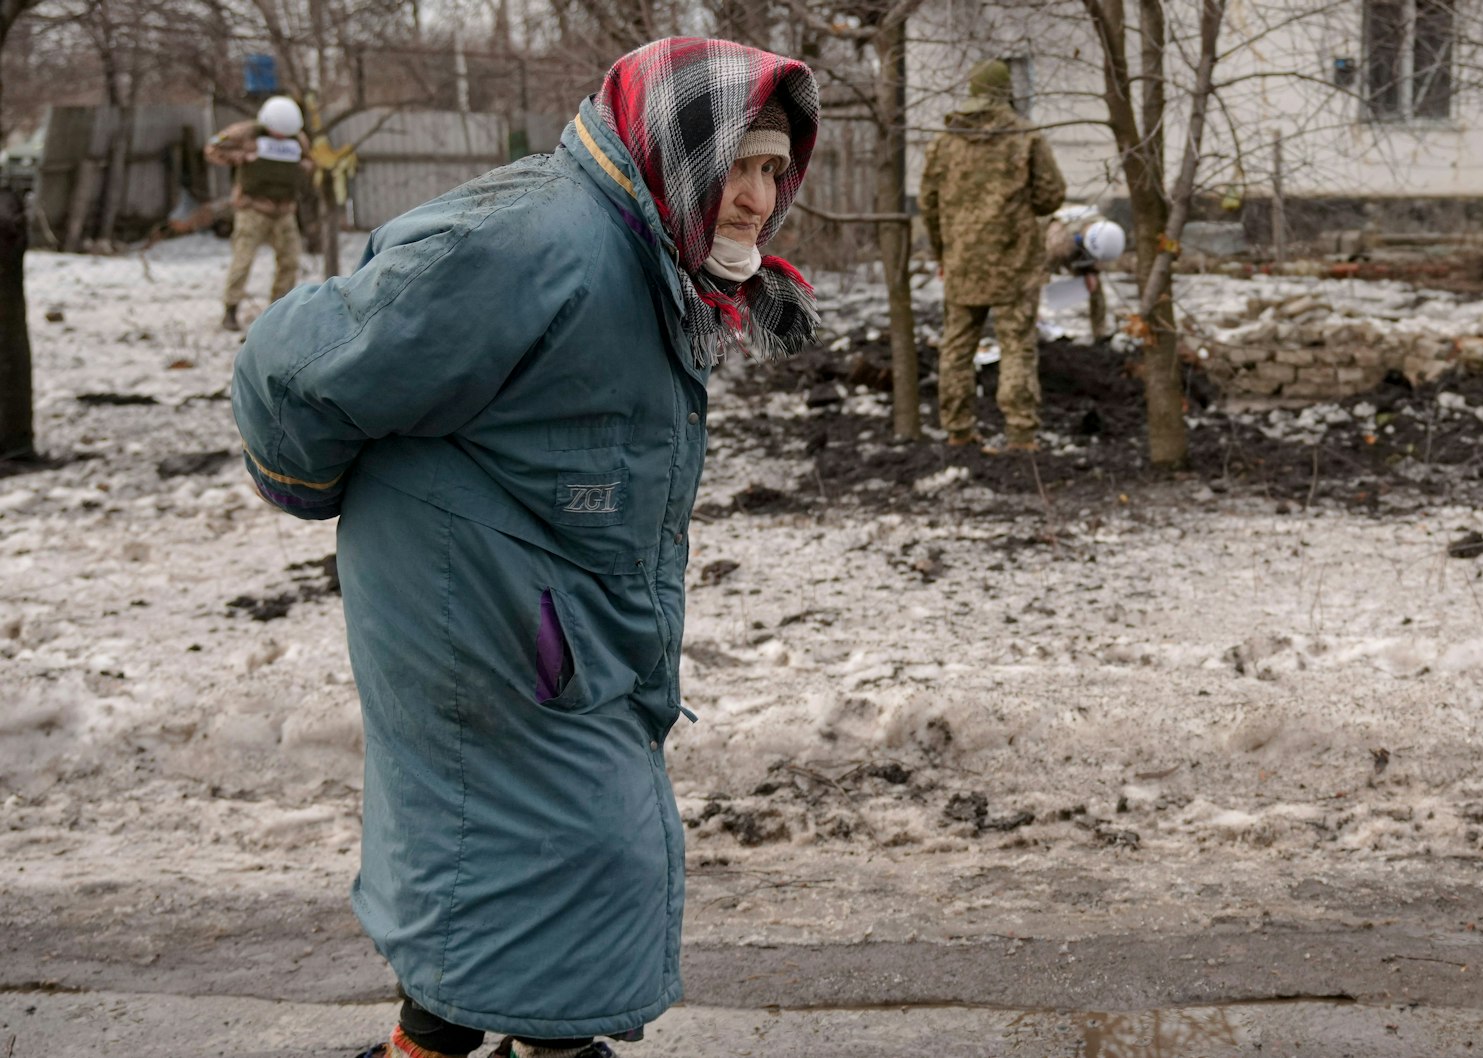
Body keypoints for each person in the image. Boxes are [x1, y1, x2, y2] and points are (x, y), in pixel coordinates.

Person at [229, 38, 819, 1058]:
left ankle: (432, 1042)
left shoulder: (641, 247)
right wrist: (310, 483)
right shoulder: (529, 244)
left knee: (495, 834)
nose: (758, 198)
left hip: (545, 597)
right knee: (584, 842)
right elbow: (293, 366)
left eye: (774, 169)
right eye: (738, 162)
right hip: (477, 605)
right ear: (672, 148)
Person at [920, 58, 1066, 453]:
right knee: (1017, 344)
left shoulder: (945, 142)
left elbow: (928, 204)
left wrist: (943, 254)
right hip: (1015, 262)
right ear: (1007, 90)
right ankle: (1021, 432)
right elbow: (1051, 195)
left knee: (957, 346)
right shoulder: (1026, 136)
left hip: (963, 263)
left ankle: (958, 428)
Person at [205, 95, 314, 332]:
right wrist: (241, 156)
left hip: (284, 210)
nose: (281, 137)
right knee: (243, 260)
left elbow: (308, 161)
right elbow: (212, 148)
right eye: (277, 133)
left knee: (290, 260)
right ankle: (231, 310)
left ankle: (279, 310)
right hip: (252, 208)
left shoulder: (298, 138)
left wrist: (304, 166)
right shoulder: (245, 133)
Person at [1044, 208, 1126, 340]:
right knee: (1034, 287)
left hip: (1081, 248)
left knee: (1095, 288)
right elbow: (1040, 270)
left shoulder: (1105, 231)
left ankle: (1099, 334)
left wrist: (1091, 272)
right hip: (1055, 244)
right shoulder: (1058, 241)